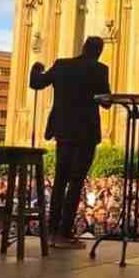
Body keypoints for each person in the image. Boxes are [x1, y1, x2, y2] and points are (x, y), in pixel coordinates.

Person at [30, 36, 111, 249]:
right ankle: (64, 233)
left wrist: (36, 68)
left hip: (63, 132)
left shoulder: (62, 65)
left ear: (83, 47)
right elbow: (106, 103)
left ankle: (52, 230)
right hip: (86, 134)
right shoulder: (100, 70)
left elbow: (36, 83)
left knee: (60, 181)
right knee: (75, 182)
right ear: (99, 51)